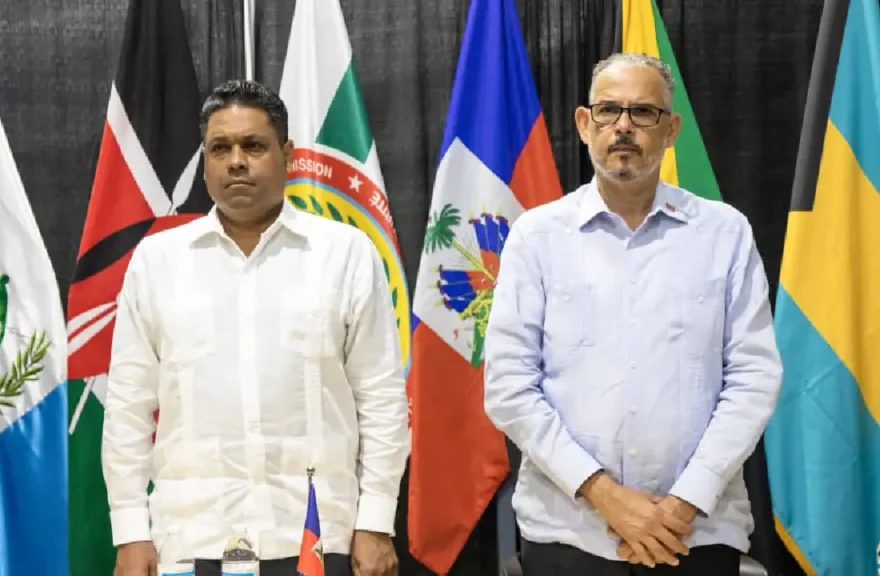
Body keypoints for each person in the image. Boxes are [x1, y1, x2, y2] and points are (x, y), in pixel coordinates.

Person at [483, 52, 783, 576]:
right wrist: (606, 497)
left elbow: (754, 379)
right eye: (608, 111)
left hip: (696, 531)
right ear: (584, 123)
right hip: (569, 531)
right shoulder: (536, 237)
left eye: (643, 113)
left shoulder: (724, 233)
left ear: (671, 130)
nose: (624, 126)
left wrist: (682, 502)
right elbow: (509, 385)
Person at [101, 79, 407, 576]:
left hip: (317, 538)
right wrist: (131, 530)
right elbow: (128, 409)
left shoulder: (344, 254)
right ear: (204, 160)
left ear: (286, 154)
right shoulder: (158, 262)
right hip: (190, 540)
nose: (236, 161)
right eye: (219, 148)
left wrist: (376, 521)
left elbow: (381, 400)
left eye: (253, 146)